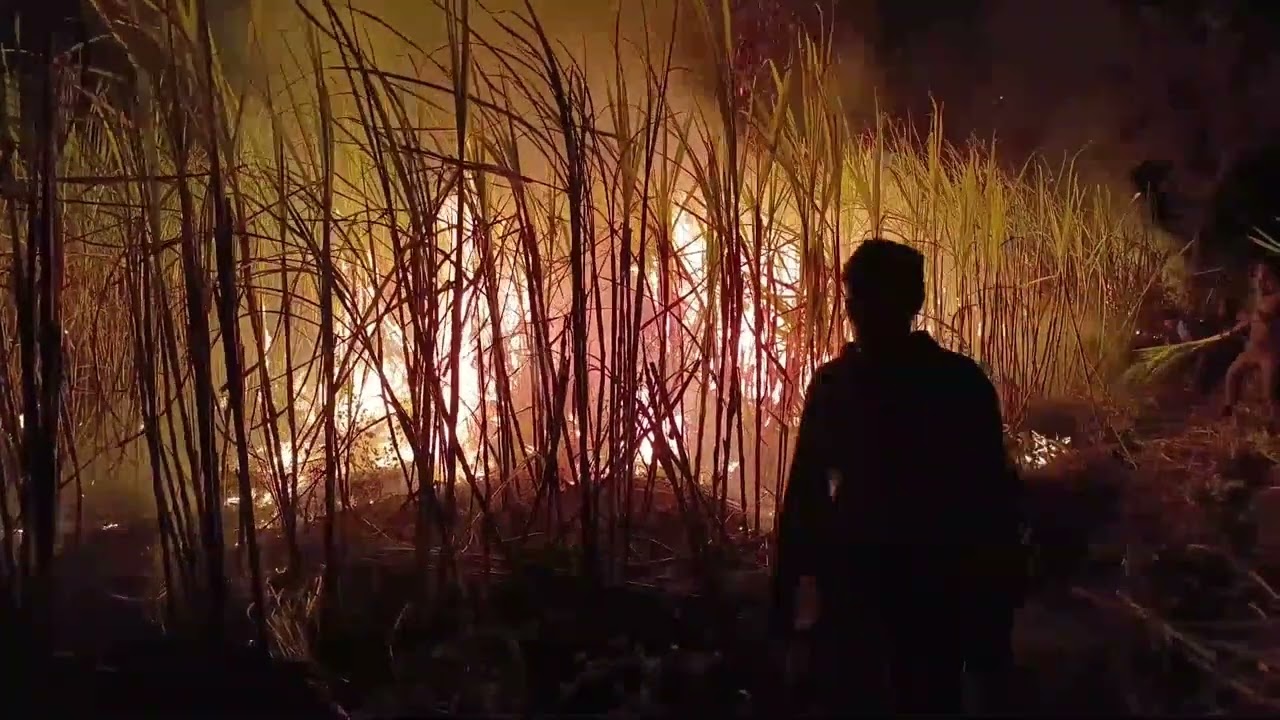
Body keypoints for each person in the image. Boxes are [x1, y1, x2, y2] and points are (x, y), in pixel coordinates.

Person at [770, 238, 1027, 715]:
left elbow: (806, 500)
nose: (857, 310)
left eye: (867, 295)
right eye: (856, 296)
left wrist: (786, 603)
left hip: (896, 589)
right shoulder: (956, 382)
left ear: (909, 302)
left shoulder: (842, 386)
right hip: (902, 589)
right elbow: (994, 500)